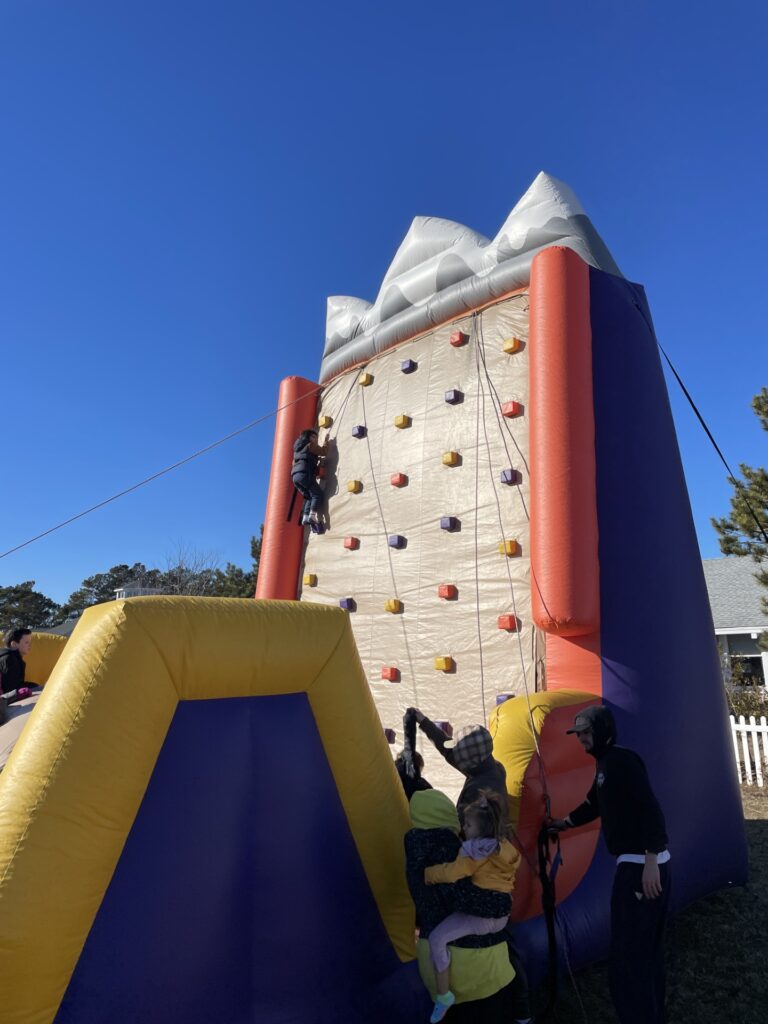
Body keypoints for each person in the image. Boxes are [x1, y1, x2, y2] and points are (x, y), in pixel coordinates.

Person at [548, 704, 670, 1024]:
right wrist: (564, 823)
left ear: (602, 730)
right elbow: (594, 804)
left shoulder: (621, 761)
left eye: (586, 733)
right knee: (645, 951)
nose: (581, 740)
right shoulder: (605, 765)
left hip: (639, 867)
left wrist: (651, 860)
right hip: (637, 864)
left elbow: (649, 808)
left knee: (629, 956)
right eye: (579, 735)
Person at [403, 789, 531, 1024]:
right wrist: (503, 901)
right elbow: (466, 897)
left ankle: (443, 997)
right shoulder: (447, 850)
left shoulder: (414, 851)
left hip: (437, 963)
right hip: (475, 968)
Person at [408, 709, 509, 825]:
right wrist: (424, 721)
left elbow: (461, 825)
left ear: (470, 764)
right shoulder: (489, 766)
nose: (456, 759)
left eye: (460, 757)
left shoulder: (478, 791)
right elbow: (447, 749)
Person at [291, 428, 327, 533]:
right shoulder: (310, 446)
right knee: (317, 494)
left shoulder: (297, 451)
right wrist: (326, 442)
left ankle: (305, 517)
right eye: (314, 437)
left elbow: (297, 463)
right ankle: (312, 515)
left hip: (295, 477)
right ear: (309, 438)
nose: (316, 439)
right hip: (304, 474)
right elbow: (323, 451)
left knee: (308, 496)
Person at [0, 628, 34, 713]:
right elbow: (11, 688)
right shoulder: (10, 659)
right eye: (26, 642)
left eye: (30, 642)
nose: (30, 645)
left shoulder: (12, 658)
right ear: (14, 644)